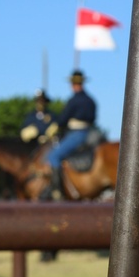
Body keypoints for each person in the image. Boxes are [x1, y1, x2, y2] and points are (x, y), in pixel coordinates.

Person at [42, 70, 97, 199]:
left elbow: (63, 119)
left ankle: (57, 191)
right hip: (91, 132)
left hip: (77, 134)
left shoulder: (74, 101)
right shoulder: (91, 101)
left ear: (73, 84)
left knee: (53, 156)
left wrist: (54, 127)